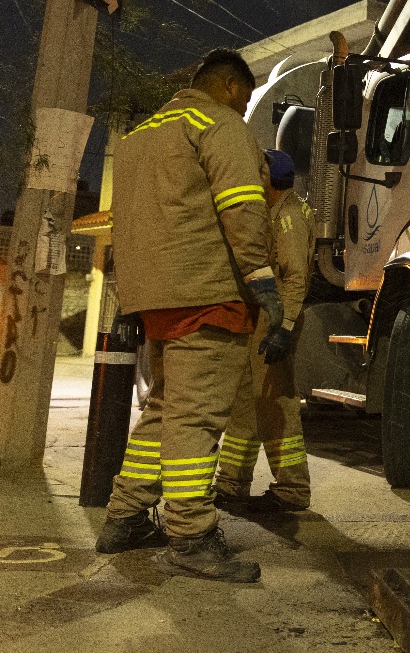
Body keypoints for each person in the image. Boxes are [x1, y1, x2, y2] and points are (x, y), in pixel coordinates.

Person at [95, 48, 289, 583]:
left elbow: (124, 226)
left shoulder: (138, 138)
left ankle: (126, 515)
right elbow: (243, 207)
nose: (244, 107)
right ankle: (191, 534)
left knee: (164, 408)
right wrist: (262, 281)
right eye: (245, 97)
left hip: (154, 296)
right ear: (229, 86)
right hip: (208, 290)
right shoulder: (218, 124)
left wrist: (128, 298)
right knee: (197, 417)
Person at [214, 149, 317, 513]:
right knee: (246, 400)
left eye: (259, 174)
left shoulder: (287, 218)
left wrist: (283, 329)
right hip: (263, 317)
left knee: (276, 401)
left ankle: (292, 488)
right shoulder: (278, 211)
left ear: (270, 180)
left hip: (275, 320)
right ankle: (231, 481)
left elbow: (294, 279)